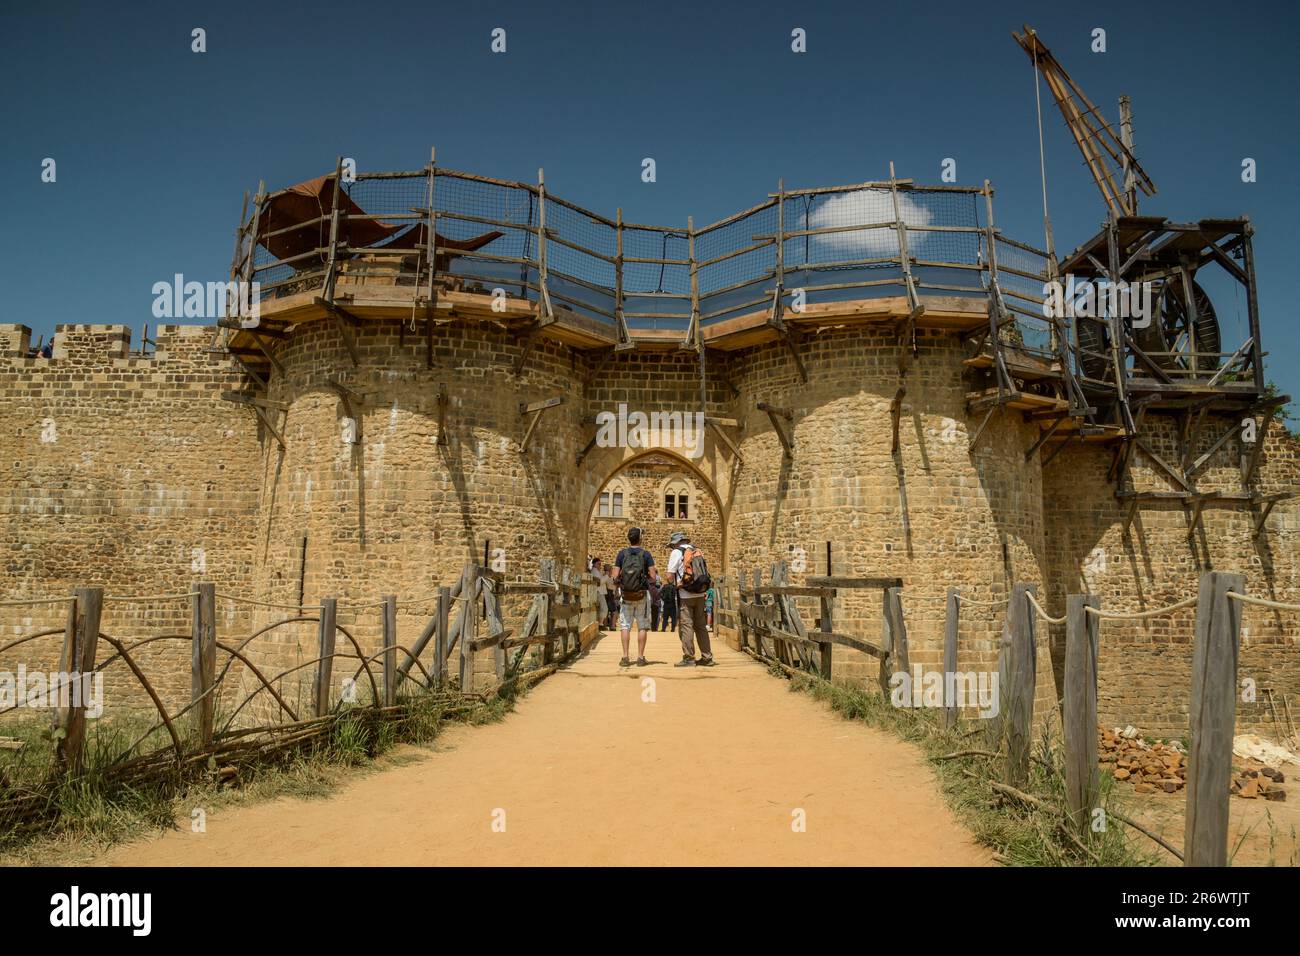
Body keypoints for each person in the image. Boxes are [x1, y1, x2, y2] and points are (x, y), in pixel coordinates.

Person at [665, 531, 714, 667]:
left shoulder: (677, 552)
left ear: (676, 543)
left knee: (686, 626)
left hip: (685, 594)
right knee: (701, 626)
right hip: (700, 592)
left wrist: (673, 583)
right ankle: (707, 657)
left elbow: (670, 575)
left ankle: (689, 658)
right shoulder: (696, 550)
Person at [612, 527, 658, 667]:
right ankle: (640, 658)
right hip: (641, 595)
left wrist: (621, 585)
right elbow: (653, 577)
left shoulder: (622, 554)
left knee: (625, 626)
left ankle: (625, 657)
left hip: (626, 595)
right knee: (642, 626)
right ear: (640, 538)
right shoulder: (646, 554)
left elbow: (614, 576)